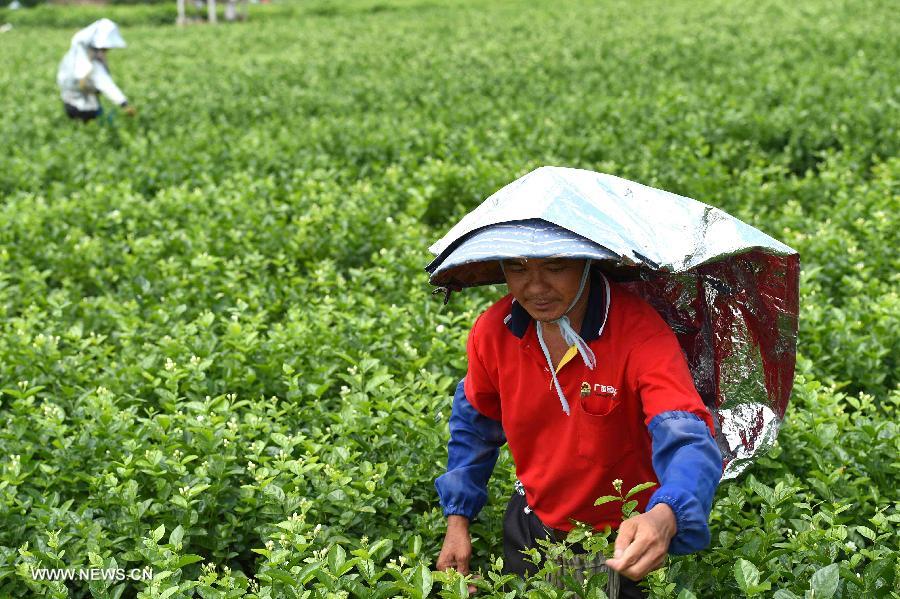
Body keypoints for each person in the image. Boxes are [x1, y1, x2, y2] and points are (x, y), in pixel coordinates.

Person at [433, 220, 723, 598]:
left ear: (587, 263)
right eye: (518, 268)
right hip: (532, 523)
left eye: (555, 267)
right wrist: (457, 521)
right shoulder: (494, 331)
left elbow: (686, 436)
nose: (535, 287)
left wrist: (666, 514)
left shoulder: (640, 334)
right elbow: (474, 424)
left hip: (626, 537)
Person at [57, 19, 136, 123]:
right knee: (90, 129)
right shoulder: (90, 64)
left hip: (69, 102)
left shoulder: (72, 56)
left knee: (77, 128)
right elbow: (106, 85)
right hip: (85, 108)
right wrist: (124, 104)